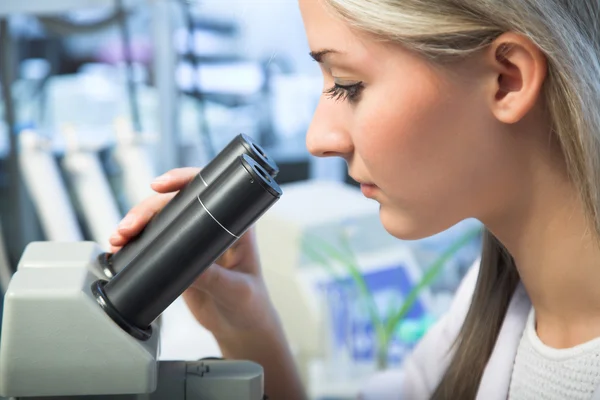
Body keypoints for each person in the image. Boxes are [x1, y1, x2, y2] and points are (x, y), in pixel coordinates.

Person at [109, 0, 600, 398]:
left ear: (507, 79)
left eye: (348, 85)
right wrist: (246, 323)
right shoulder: (490, 304)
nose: (318, 139)